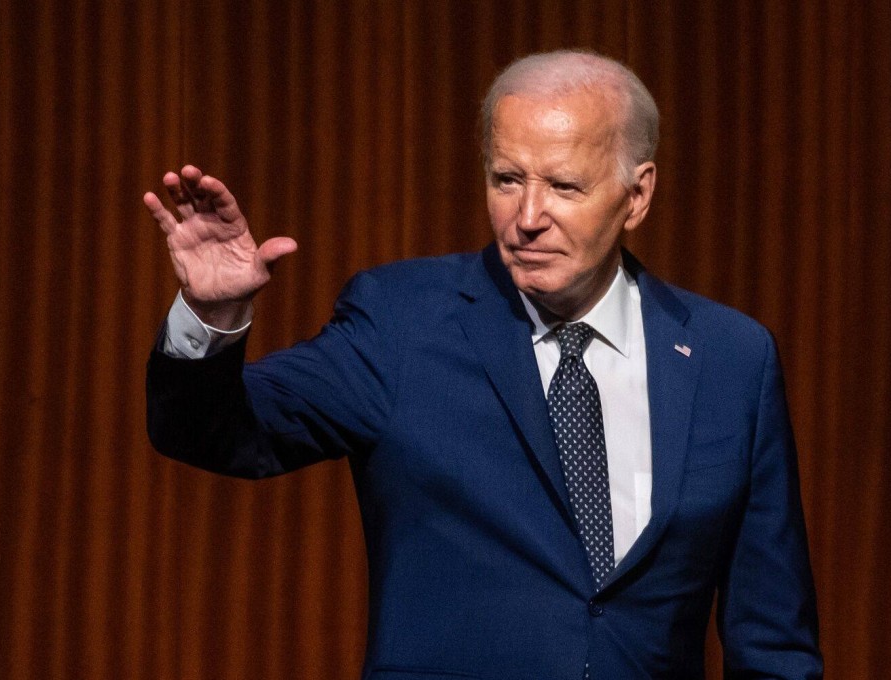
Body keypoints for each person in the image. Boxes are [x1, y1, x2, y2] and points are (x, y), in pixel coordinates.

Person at [144, 50, 822, 679]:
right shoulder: (401, 323)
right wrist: (211, 317)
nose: (528, 216)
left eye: (563, 185)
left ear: (637, 195)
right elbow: (218, 432)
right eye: (506, 179)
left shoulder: (733, 359)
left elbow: (773, 642)